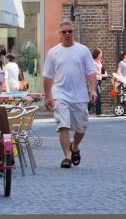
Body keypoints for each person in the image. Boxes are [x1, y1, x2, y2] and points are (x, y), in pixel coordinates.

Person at [42, 19, 97, 169]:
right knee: (63, 125)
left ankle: (74, 147)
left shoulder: (83, 50)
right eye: (64, 32)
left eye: (70, 31)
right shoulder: (53, 52)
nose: (67, 34)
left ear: (73, 32)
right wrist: (48, 96)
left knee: (81, 127)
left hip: (80, 95)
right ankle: (66, 156)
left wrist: (93, 89)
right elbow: (47, 76)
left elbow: (91, 72)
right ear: (59, 34)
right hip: (60, 94)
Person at [90, 49, 104, 115]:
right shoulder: (93, 62)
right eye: (100, 53)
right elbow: (94, 70)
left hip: (99, 80)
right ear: (97, 54)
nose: (101, 54)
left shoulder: (99, 61)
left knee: (95, 96)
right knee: (98, 95)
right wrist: (100, 74)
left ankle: (86, 109)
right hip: (95, 80)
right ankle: (98, 112)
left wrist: (105, 73)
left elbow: (102, 68)